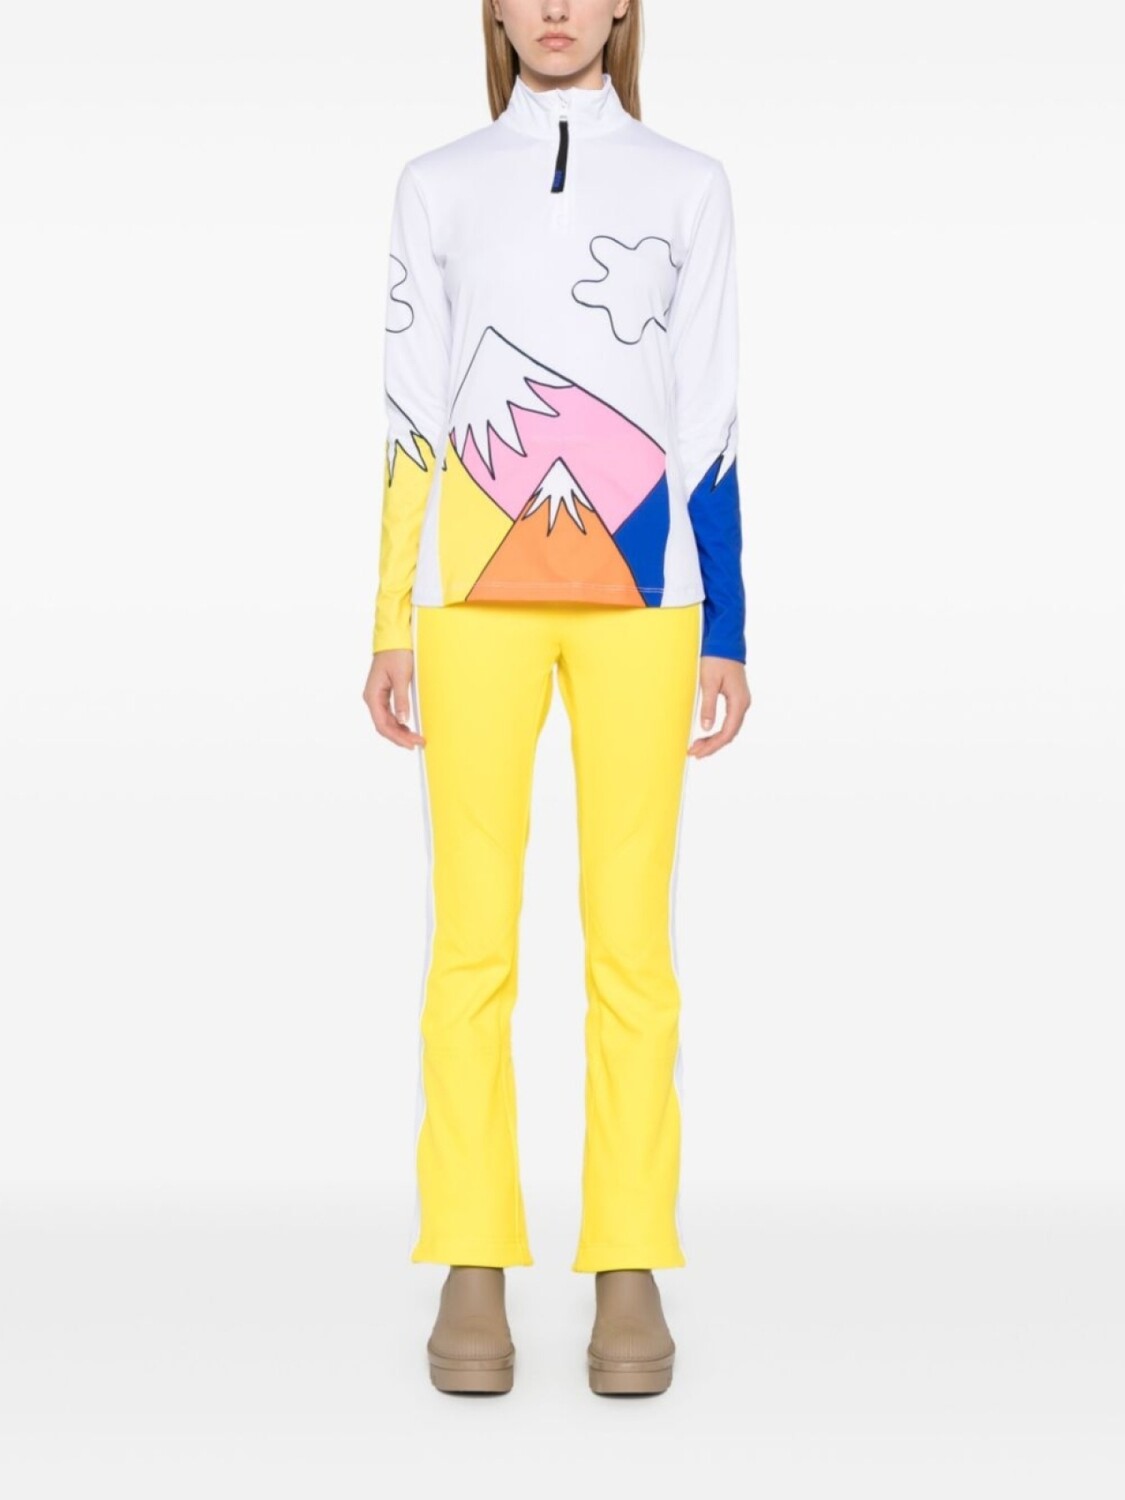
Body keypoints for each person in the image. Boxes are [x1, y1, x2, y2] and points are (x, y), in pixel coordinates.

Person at [362, 0, 751, 1397]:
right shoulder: (437, 184)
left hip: (649, 598)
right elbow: (410, 401)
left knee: (629, 947)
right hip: (469, 595)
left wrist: (727, 626)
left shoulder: (690, 186)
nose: (557, 9)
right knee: (470, 943)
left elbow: (708, 407)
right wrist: (389, 619)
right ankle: (471, 1254)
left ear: (624, 6)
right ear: (493, 8)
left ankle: (627, 1258)